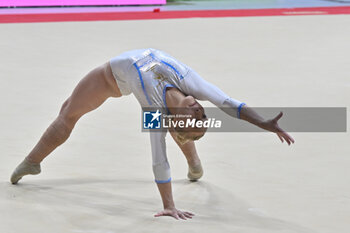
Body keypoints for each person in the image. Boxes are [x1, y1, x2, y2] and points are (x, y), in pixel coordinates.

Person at [10, 48, 294, 220]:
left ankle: (32, 161)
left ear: (177, 121)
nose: (199, 112)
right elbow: (230, 104)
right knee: (66, 110)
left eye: (194, 120)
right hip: (129, 79)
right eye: (203, 116)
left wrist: (169, 206)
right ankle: (195, 165)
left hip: (110, 79)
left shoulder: (154, 106)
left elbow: (158, 156)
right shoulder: (192, 86)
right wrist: (264, 123)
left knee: (68, 112)